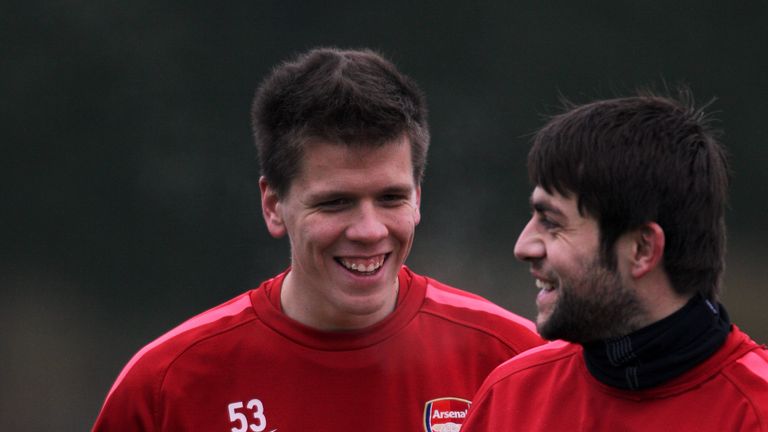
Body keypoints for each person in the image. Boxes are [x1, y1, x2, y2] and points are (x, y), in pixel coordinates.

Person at [92, 47, 543, 431]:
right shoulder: (165, 386)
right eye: (335, 203)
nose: (369, 230)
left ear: (418, 198)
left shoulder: (518, 363)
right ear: (273, 205)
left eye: (390, 198)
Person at [462, 90, 768, 431]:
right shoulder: (512, 395)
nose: (524, 246)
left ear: (641, 250)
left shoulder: (757, 410)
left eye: (552, 222)